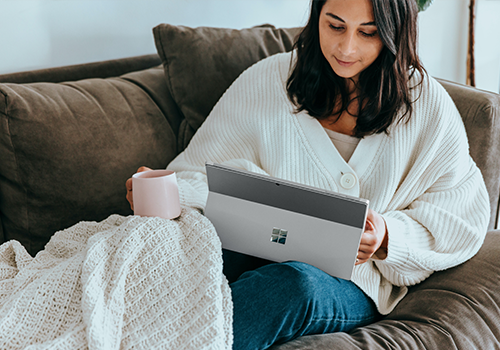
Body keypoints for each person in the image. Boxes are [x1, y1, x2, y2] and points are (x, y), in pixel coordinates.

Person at [126, 0, 490, 348]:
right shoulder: (270, 79)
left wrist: (387, 237)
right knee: (186, 254)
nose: (346, 47)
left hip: (347, 282)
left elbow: (462, 216)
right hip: (254, 249)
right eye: (335, 26)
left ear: (395, 33)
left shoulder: (425, 105)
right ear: (317, 15)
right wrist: (170, 190)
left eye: (368, 33)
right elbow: (199, 171)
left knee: (292, 287)